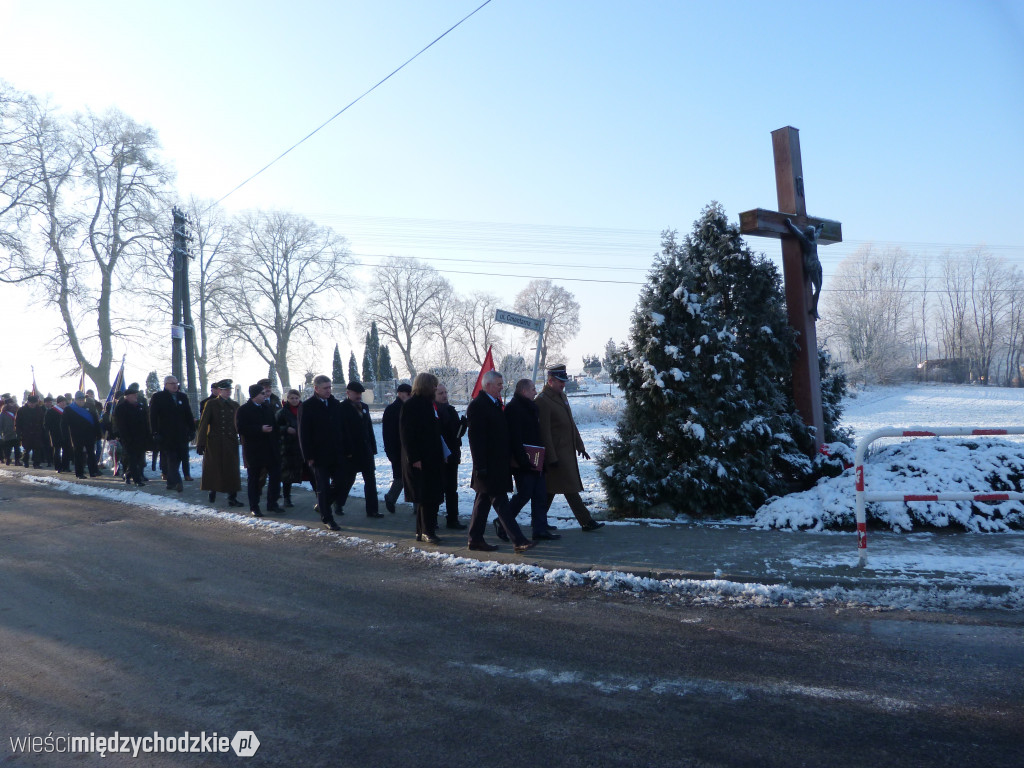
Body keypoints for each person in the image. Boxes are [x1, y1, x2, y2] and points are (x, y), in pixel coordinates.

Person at [466, 370, 535, 553]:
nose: (501, 387)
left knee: (482, 502)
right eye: (499, 384)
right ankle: (518, 540)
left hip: (497, 464)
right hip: (488, 466)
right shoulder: (478, 406)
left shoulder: (495, 404)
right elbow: (476, 440)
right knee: (501, 503)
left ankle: (475, 539)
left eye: (502, 384)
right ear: (487, 385)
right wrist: (480, 466)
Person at [536, 364, 604, 532]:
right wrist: (551, 458)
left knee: (551, 490)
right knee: (569, 487)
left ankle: (539, 522)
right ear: (550, 381)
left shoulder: (562, 396)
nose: (563, 384)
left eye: (564, 381)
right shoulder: (542, 400)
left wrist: (580, 446)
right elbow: (544, 433)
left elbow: (570, 423)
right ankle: (586, 521)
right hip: (557, 455)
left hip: (567, 452)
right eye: (560, 381)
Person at [505, 378, 560, 540]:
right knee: (524, 494)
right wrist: (523, 460)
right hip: (523, 461)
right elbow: (515, 437)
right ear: (524, 391)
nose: (535, 392)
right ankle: (502, 522)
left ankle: (540, 530)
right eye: (532, 389)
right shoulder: (513, 408)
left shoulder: (531, 407)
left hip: (537, 458)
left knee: (540, 494)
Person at [400, 372, 445, 545]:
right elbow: (407, 434)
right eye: (433, 385)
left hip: (432, 457)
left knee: (431, 495)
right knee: (426, 496)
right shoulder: (411, 405)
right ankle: (427, 530)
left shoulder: (428, 404)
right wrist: (414, 458)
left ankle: (422, 530)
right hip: (421, 459)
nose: (435, 388)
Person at [298, 375, 347, 531]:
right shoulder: (307, 406)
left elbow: (341, 428)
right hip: (318, 455)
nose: (328, 390)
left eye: (330, 387)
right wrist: (308, 456)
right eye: (325, 388)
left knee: (342, 482)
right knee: (323, 487)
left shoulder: (334, 404)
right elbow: (303, 433)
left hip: (336, 452)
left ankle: (322, 504)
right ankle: (328, 517)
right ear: (316, 388)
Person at [335, 381, 383, 518]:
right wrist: (346, 451)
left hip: (366, 450)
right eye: (356, 393)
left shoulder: (365, 407)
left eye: (360, 393)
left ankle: (372, 510)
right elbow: (341, 431)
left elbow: (368, 429)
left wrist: (373, 447)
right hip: (351, 451)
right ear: (348, 393)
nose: (358, 396)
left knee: (370, 480)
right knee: (348, 480)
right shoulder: (342, 408)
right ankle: (338, 503)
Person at [236, 383, 283, 517]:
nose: (265, 395)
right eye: (262, 393)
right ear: (255, 395)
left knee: (275, 476)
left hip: (271, 449)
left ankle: (272, 503)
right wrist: (259, 429)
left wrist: (278, 438)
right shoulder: (244, 410)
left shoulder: (267, 408)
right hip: (255, 451)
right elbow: (241, 428)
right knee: (254, 479)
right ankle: (254, 506)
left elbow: (275, 425)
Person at [195, 379, 243, 508]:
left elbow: (239, 424)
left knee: (232, 470)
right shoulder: (211, 404)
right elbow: (204, 424)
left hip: (230, 441)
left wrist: (242, 439)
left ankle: (232, 497)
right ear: (219, 391)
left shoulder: (234, 405)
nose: (228, 392)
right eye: (225, 390)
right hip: (215, 442)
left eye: (229, 390)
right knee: (214, 468)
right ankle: (213, 490)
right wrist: (201, 442)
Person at [149, 375, 196, 491]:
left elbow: (188, 415)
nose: (175, 386)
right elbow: (153, 416)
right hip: (166, 435)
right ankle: (177, 482)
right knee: (171, 458)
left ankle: (170, 483)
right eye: (172, 383)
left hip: (181, 434)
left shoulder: (182, 397)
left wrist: (192, 429)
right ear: (166, 385)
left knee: (180, 457)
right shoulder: (158, 397)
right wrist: (154, 432)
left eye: (176, 383)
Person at [435, 383, 467, 530]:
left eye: (445, 392)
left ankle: (452, 519)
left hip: (453, 455)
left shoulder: (451, 410)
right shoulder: (433, 412)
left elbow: (457, 435)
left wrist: (463, 426)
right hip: (439, 457)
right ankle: (432, 520)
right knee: (437, 490)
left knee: (452, 490)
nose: (444, 395)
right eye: (440, 393)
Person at [276, 388, 314, 508]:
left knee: (313, 474)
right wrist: (285, 429)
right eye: (291, 398)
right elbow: (275, 427)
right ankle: (287, 498)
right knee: (288, 476)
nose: (294, 400)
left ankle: (321, 498)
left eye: (296, 398)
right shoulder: (282, 412)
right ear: (287, 399)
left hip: (304, 446)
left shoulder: (305, 410)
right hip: (289, 448)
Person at [382, 382, 411, 513]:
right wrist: (391, 452)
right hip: (397, 449)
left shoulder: (409, 407)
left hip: (406, 449)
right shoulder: (392, 409)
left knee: (410, 477)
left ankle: (416, 506)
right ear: (400, 394)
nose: (410, 396)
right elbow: (388, 433)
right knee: (400, 477)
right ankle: (391, 497)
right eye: (408, 394)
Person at [112, 384, 150, 486]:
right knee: (132, 459)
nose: (135, 396)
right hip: (129, 438)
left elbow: (145, 422)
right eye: (133, 395)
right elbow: (121, 425)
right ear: (127, 396)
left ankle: (128, 475)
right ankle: (137, 480)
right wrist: (125, 437)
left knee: (139, 459)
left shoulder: (140, 406)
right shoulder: (121, 408)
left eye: (136, 394)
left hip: (140, 437)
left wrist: (147, 434)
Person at [62, 391, 103, 478]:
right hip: (76, 435)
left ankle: (93, 471)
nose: (81, 401)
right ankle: (79, 473)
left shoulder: (90, 407)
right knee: (79, 454)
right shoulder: (69, 409)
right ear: (75, 400)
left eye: (82, 399)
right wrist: (66, 436)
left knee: (91, 453)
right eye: (79, 399)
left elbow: (95, 421)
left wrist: (98, 434)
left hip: (89, 434)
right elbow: (64, 424)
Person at [14, 394, 46, 469]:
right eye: (31, 403)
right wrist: (18, 433)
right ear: (27, 402)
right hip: (26, 432)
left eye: (34, 403)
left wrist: (43, 431)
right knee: (27, 448)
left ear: (36, 403)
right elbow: (18, 422)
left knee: (37, 449)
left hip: (37, 432)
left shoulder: (39, 410)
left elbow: (42, 422)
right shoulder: (21, 410)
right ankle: (25, 461)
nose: (32, 404)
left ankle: (36, 463)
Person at [45, 395, 70, 473]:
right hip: (55, 434)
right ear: (58, 403)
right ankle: (58, 467)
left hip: (66, 434)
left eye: (64, 402)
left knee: (66, 451)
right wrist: (49, 432)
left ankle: (66, 466)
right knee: (57, 451)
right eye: (62, 402)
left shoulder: (67, 411)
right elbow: (46, 424)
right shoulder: (51, 411)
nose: (63, 403)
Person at [0, 396, 18, 465]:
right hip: (7, 433)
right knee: (8, 448)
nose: (12, 404)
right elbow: (1, 423)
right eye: (10, 403)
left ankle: (17, 460)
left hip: (16, 432)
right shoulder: (3, 413)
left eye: (12, 403)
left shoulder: (17, 411)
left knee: (17, 448)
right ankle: (7, 459)